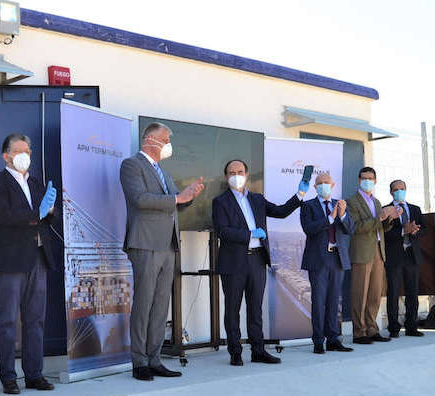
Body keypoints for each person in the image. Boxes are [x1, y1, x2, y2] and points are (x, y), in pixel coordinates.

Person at [120, 123, 204, 381]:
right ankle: (139, 362)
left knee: (160, 306)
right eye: (165, 139)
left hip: (168, 245)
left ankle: (154, 359)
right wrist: (177, 198)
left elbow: (172, 206)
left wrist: (188, 197)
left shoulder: (163, 173)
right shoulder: (132, 165)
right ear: (150, 140)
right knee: (144, 303)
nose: (168, 145)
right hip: (145, 243)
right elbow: (141, 199)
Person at [213, 159, 306, 366]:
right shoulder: (220, 202)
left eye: (239, 171)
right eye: (231, 172)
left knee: (255, 308)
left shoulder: (257, 199)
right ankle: (235, 352)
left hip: (256, 259)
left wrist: (299, 194)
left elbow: (281, 212)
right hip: (233, 262)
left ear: (246, 174)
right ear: (226, 176)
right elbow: (223, 231)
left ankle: (258, 351)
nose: (235, 175)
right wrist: (249, 234)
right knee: (232, 309)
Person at [0, 134, 58, 395]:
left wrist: (49, 210)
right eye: (18, 150)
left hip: (38, 257)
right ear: (6, 156)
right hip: (11, 260)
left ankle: (34, 374)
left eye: (27, 150)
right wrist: (36, 214)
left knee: (35, 320)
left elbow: (48, 218)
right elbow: (3, 217)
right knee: (6, 322)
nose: (24, 154)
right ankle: (8, 377)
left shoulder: (36, 183)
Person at [300, 172, 354, 354]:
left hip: (337, 258)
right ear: (315, 187)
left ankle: (333, 339)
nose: (323, 185)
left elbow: (350, 229)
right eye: (320, 183)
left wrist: (343, 214)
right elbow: (309, 228)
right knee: (318, 301)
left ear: (333, 185)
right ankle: (318, 341)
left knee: (333, 301)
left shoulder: (341, 204)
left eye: (326, 182)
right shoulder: (308, 206)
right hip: (318, 260)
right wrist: (330, 217)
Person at [346, 167, 398, 345]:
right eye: (364, 178)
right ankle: (359, 332)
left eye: (370, 178)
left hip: (378, 250)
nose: (367, 181)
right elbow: (356, 228)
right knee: (359, 293)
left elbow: (380, 228)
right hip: (361, 251)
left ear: (375, 181)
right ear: (359, 180)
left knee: (375, 293)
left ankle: (372, 328)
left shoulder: (376, 202)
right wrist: (381, 218)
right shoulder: (351, 201)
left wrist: (390, 220)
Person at [384, 180, 424, 338]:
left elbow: (424, 229)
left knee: (412, 292)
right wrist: (402, 231)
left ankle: (412, 326)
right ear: (391, 192)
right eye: (396, 189)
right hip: (394, 256)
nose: (399, 191)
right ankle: (393, 328)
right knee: (393, 292)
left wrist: (415, 231)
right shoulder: (386, 210)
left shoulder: (415, 209)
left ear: (406, 190)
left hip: (412, 255)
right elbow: (384, 234)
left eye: (402, 189)